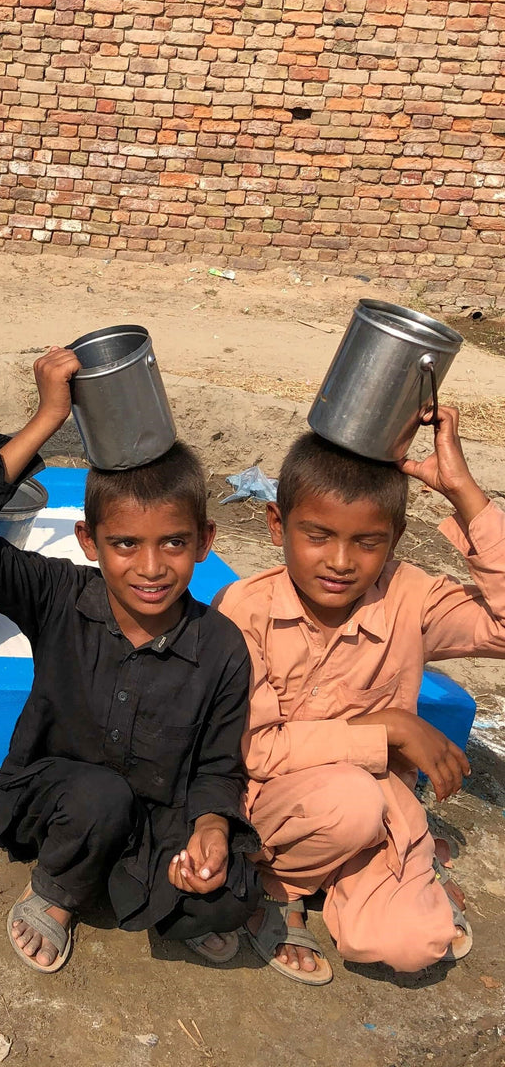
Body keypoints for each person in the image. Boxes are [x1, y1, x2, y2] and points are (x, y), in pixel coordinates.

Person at [0, 347, 259, 973]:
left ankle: (133, 884)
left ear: (205, 543)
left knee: (230, 897)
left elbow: (219, 766)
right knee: (99, 797)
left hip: (151, 817)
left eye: (174, 543)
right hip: (57, 801)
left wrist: (211, 829)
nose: (151, 567)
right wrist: (49, 415)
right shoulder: (59, 595)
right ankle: (55, 892)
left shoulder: (220, 645)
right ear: (89, 542)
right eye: (125, 544)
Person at [218, 412, 491, 983]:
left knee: (414, 945)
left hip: (371, 803)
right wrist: (388, 726)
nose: (341, 562)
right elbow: (256, 751)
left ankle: (361, 867)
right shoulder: (245, 610)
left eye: (367, 543)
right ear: (276, 524)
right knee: (350, 804)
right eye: (317, 536)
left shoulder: (409, 596)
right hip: (270, 808)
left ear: (395, 541)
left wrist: (465, 493)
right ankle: (277, 885)